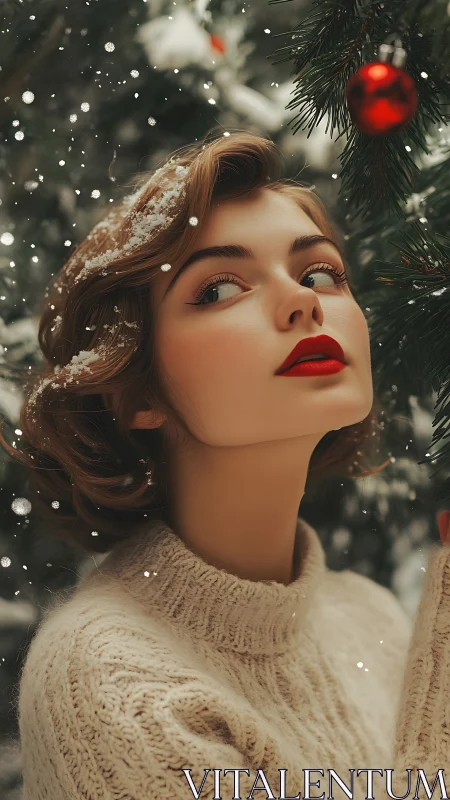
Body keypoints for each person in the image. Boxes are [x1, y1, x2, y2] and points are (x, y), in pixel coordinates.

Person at [4, 130, 450, 800]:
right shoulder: (106, 678)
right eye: (218, 289)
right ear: (137, 390)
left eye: (320, 273)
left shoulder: (371, 616)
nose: (304, 302)